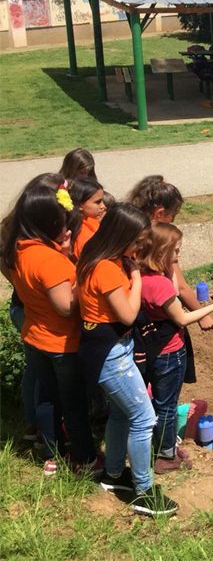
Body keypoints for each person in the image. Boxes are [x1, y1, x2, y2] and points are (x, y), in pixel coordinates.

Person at [77, 203, 178, 517]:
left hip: (108, 347)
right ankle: (144, 492)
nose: (139, 249)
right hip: (111, 354)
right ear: (120, 236)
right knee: (144, 418)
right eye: (136, 242)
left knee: (122, 414)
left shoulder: (100, 256)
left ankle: (114, 475)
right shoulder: (107, 268)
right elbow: (129, 314)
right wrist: (136, 276)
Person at [1, 174, 99, 474]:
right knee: (73, 402)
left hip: (35, 336)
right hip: (61, 344)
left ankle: (51, 452)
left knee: (46, 398)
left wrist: (63, 253)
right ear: (52, 224)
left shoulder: (20, 248)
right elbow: (65, 307)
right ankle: (85, 459)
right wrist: (79, 273)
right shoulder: (50, 261)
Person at [134, 223, 213, 473]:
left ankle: (159, 445)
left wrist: (169, 264)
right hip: (170, 352)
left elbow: (171, 286)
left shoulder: (141, 276)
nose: (179, 256)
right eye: (176, 251)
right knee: (167, 405)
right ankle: (166, 455)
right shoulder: (160, 285)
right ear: (162, 252)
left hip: (151, 348)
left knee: (157, 400)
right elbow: (181, 318)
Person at [127, 176, 213, 334]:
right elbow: (181, 287)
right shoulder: (161, 242)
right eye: (173, 215)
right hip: (162, 322)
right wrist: (202, 316)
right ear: (159, 213)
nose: (173, 220)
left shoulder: (129, 231)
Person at [69, 176, 107, 259]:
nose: (103, 206)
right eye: (98, 202)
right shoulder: (83, 236)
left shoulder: (92, 219)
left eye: (102, 201)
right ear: (80, 205)